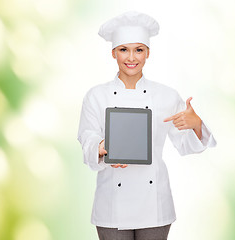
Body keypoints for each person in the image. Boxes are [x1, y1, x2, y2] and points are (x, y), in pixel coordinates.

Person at [77, 11, 217, 240]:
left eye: (138, 50)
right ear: (113, 53)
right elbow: (87, 137)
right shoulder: (96, 96)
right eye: (124, 49)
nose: (131, 57)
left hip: (154, 205)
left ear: (147, 53)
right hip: (112, 205)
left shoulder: (167, 96)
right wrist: (101, 147)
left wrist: (196, 124)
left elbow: (185, 145)